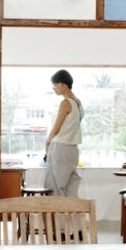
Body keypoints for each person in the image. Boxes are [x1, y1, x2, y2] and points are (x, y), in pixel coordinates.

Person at [44, 69, 84, 197]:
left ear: (63, 85)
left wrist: (47, 142)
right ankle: (73, 217)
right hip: (73, 149)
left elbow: (56, 128)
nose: (54, 88)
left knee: (55, 187)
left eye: (55, 84)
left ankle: (56, 217)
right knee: (71, 188)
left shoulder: (65, 103)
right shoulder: (78, 103)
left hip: (60, 147)